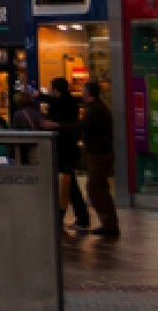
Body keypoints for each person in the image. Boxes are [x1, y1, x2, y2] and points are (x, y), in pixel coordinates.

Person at [45, 78, 90, 229]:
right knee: (68, 183)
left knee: (67, 183)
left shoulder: (57, 104)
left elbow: (53, 120)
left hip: (62, 148)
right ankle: (71, 216)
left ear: (56, 89)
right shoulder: (72, 102)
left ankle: (75, 217)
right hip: (70, 147)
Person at [79, 81, 120, 238]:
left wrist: (58, 125)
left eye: (83, 90)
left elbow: (81, 126)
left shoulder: (95, 110)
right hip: (100, 152)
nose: (82, 93)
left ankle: (109, 224)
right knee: (99, 187)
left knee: (95, 187)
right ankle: (109, 223)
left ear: (89, 93)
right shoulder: (97, 108)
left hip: (99, 153)